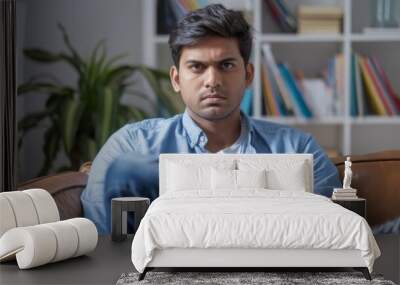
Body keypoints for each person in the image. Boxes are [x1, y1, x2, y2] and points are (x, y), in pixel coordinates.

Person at [81, 4, 341, 234]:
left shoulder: (299, 151)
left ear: (248, 75)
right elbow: (103, 241)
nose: (212, 81)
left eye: (226, 65)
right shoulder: (131, 146)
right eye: (197, 67)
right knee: (128, 169)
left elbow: (332, 233)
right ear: (176, 78)